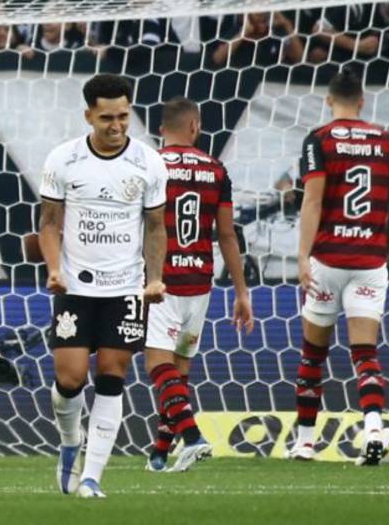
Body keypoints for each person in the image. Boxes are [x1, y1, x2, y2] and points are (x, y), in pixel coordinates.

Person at [39, 74, 168, 498]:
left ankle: (92, 477)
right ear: (88, 116)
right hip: (75, 287)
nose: (117, 125)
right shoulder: (63, 159)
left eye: (124, 116)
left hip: (125, 287)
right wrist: (54, 269)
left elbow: (155, 226)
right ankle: (70, 441)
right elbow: (49, 223)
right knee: (70, 378)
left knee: (113, 374)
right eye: (107, 118)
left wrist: (154, 278)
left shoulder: (149, 162)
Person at [289, 70, 389, 465]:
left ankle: (305, 442)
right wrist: (385, 247)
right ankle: (373, 429)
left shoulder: (319, 139)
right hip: (370, 260)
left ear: (328, 100)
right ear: (362, 101)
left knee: (312, 354)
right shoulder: (386, 140)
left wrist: (302, 256)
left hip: (328, 259)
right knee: (365, 353)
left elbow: (312, 200)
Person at [144, 97, 254, 472]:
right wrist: (241, 292)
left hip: (161, 281)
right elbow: (227, 235)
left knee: (158, 364)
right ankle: (160, 454)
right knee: (179, 371)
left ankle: (192, 437)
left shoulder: (151, 164)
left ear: (162, 129)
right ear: (195, 127)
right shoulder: (216, 169)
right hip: (200, 282)